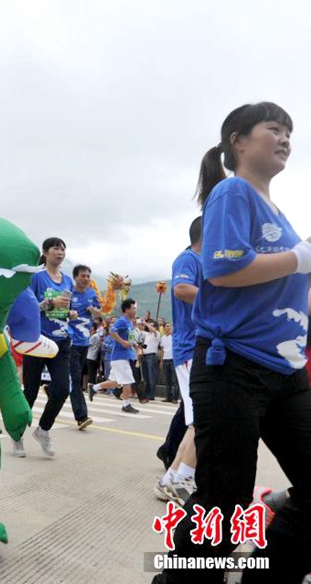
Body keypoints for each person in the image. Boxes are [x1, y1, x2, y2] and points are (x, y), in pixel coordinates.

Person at [155, 103, 311, 583]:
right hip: (232, 367)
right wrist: (299, 258)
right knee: (224, 501)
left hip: (286, 372)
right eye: (274, 129)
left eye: (289, 131)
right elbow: (222, 269)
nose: (285, 138)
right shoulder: (232, 192)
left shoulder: (278, 212)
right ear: (238, 141)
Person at [154, 217, 202, 505]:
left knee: (197, 420)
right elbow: (182, 289)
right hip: (190, 349)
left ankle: (172, 479)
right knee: (203, 419)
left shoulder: (205, 262)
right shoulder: (188, 258)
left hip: (201, 349)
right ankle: (181, 479)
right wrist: (223, 299)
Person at [14, 237, 75, 459]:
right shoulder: (36, 278)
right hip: (37, 340)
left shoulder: (68, 281)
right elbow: (26, 307)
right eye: (56, 249)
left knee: (62, 389)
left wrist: (71, 312)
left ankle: (43, 430)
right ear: (46, 253)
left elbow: (67, 308)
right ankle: (17, 433)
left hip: (61, 341)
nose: (60, 253)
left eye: (63, 249)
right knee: (30, 391)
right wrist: (49, 304)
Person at [89, 299, 140, 414]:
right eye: (133, 308)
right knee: (127, 380)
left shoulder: (130, 323)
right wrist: (122, 342)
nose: (135, 310)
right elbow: (112, 331)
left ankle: (94, 388)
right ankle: (126, 404)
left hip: (125, 356)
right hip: (119, 356)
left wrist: (136, 346)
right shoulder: (122, 321)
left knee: (115, 382)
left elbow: (130, 339)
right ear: (127, 309)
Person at [67, 264, 101, 430]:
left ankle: (52, 389)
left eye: (88, 276)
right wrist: (69, 314)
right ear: (75, 277)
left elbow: (99, 312)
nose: (86, 278)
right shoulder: (68, 293)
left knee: (76, 375)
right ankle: (82, 416)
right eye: (83, 276)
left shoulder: (92, 293)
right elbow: (58, 312)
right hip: (71, 340)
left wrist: (94, 310)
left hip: (85, 341)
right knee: (75, 378)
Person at [158, 322, 177, 403]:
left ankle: (175, 398)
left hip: (173, 360)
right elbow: (162, 350)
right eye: (167, 326)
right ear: (164, 328)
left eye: (169, 326)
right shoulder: (162, 338)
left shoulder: (174, 337)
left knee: (174, 380)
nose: (168, 327)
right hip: (165, 360)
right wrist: (161, 361)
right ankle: (168, 397)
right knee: (167, 380)